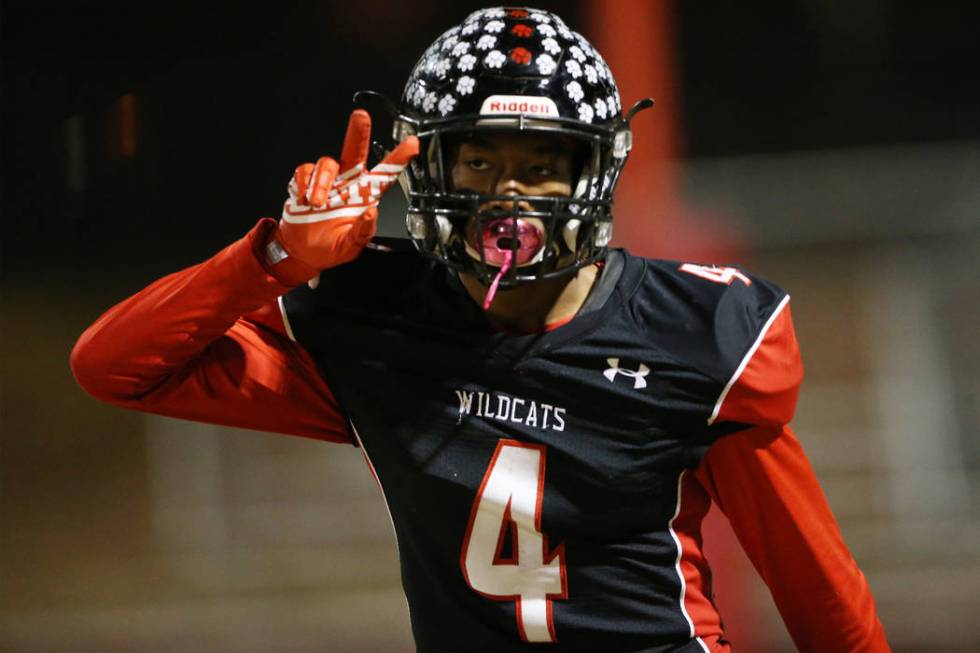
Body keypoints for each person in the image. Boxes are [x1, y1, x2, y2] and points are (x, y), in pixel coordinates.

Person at [71, 7, 890, 652]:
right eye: (480, 162)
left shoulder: (693, 337)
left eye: (540, 165)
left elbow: (817, 589)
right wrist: (275, 255)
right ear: (426, 168)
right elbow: (114, 366)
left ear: (594, 170)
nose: (511, 196)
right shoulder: (375, 320)